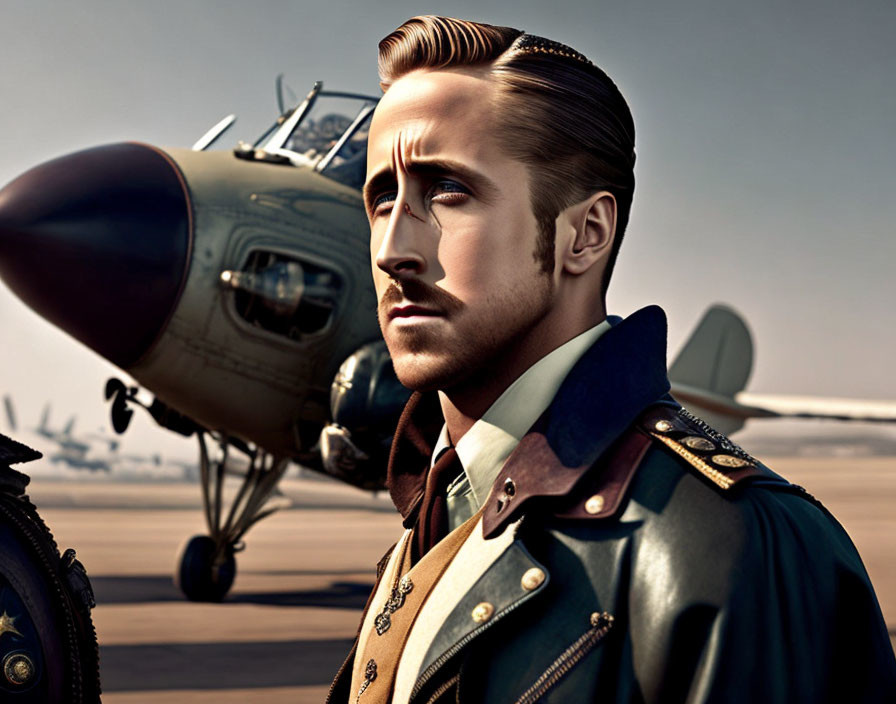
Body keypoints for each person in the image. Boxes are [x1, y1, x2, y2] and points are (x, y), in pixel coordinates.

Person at [326, 15, 896, 704]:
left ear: (585, 235)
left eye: (448, 191)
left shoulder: (742, 546)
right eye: (381, 197)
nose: (391, 250)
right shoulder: (436, 512)